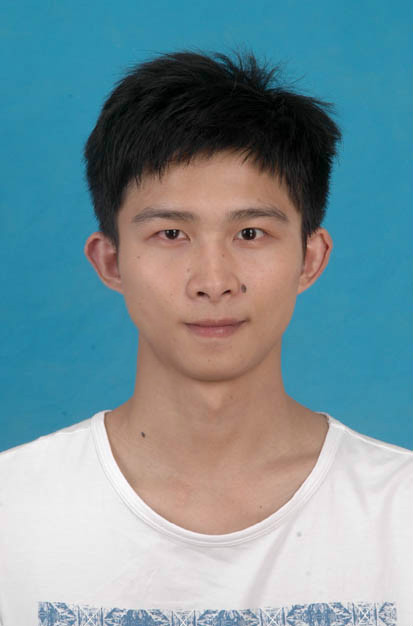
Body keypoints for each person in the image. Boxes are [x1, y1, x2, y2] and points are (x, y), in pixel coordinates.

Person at [0, 50, 411, 626]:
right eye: (172, 233)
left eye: (251, 233)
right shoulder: (13, 510)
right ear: (110, 261)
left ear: (310, 258)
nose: (213, 281)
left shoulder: (400, 512)